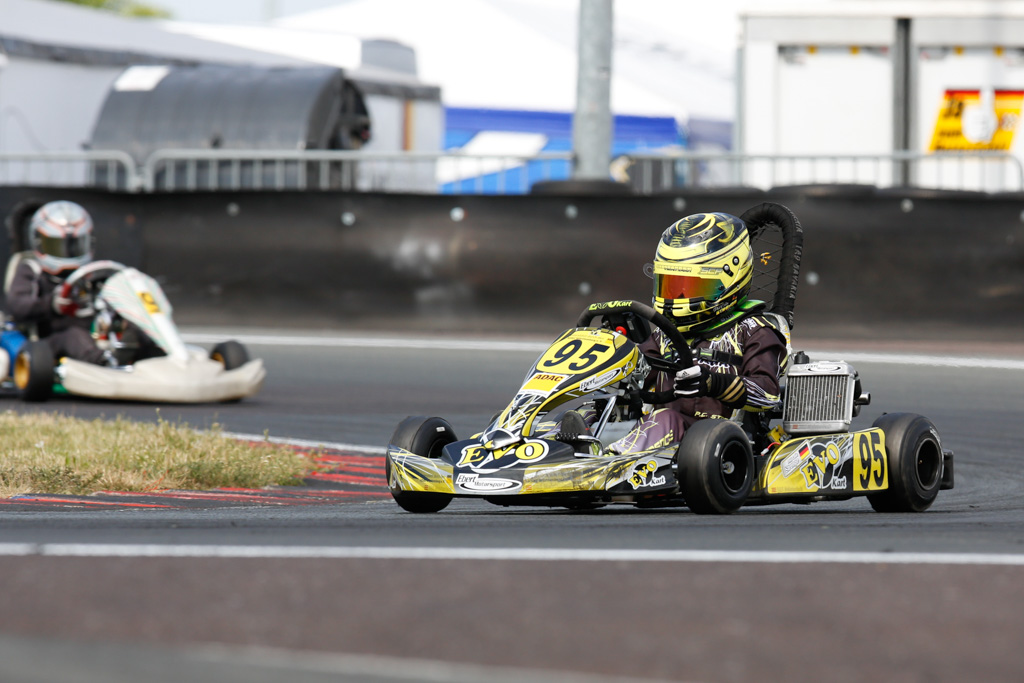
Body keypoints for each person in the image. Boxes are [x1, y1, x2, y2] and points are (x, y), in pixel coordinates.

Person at [601, 211, 790, 455]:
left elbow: (767, 393)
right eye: (671, 285)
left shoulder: (755, 331)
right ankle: (557, 449)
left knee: (666, 419)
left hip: (719, 446)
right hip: (659, 438)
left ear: (729, 282)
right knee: (594, 411)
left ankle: (608, 464)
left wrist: (713, 383)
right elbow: (639, 375)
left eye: (691, 286)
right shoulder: (665, 335)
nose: (678, 298)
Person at [6, 200, 110, 365]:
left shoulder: (92, 275)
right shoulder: (31, 270)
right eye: (57, 245)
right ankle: (105, 366)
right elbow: (18, 306)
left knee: (131, 330)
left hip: (92, 338)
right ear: (40, 243)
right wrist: (52, 304)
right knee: (74, 336)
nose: (67, 253)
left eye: (74, 245)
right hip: (44, 345)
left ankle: (150, 361)